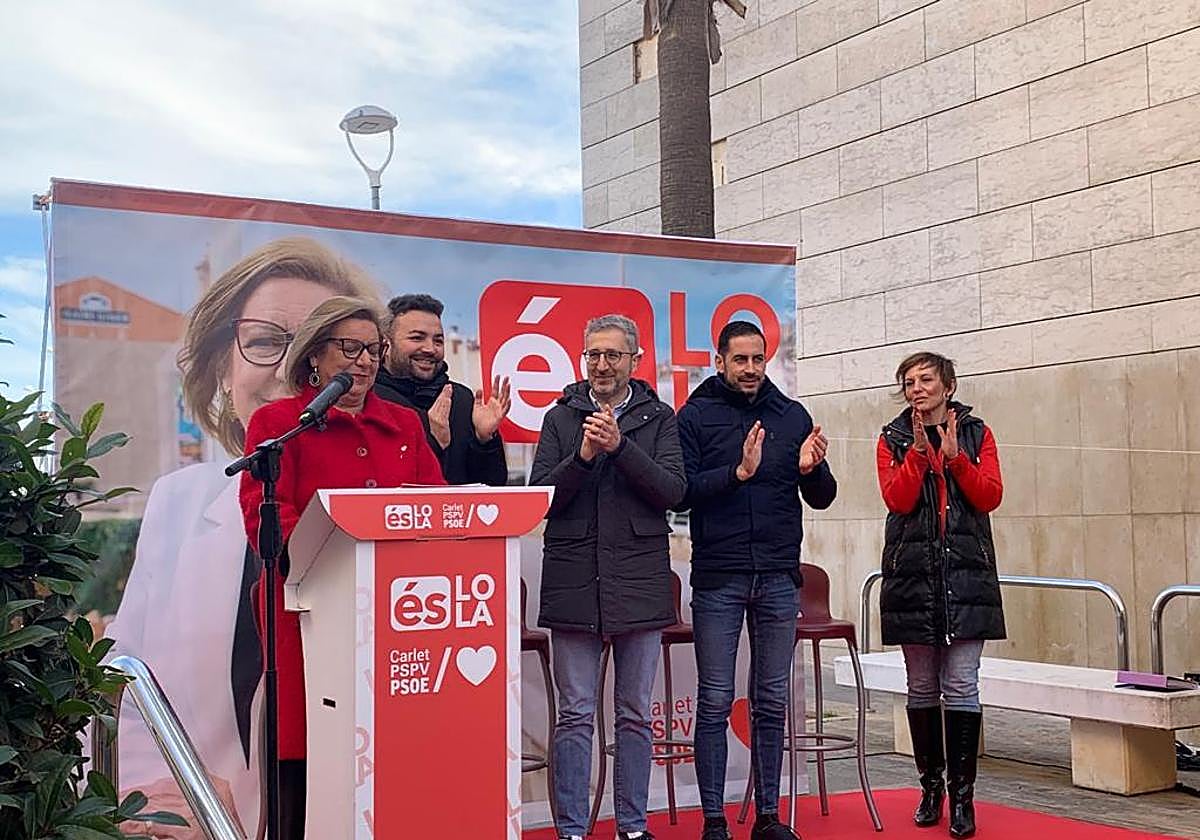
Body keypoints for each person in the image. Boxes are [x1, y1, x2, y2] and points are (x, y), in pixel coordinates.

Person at [106, 237, 381, 839]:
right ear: (221, 373)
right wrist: (159, 793)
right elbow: (127, 686)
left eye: (323, 344)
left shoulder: (390, 511)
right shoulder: (178, 502)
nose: (291, 368)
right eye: (264, 342)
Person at [239, 296, 444, 837]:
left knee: (391, 755)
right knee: (306, 755)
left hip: (398, 616)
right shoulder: (279, 423)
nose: (364, 362)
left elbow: (439, 507)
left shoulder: (404, 423)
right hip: (305, 617)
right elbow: (267, 518)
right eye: (349, 348)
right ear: (314, 356)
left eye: (372, 350)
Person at [676, 320, 835, 840]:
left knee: (770, 700)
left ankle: (769, 816)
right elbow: (680, 493)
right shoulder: (695, 416)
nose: (749, 369)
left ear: (767, 361)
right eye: (739, 359)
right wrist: (737, 474)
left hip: (776, 577)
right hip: (719, 578)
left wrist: (812, 468)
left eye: (757, 359)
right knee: (716, 699)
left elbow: (822, 497)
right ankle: (715, 821)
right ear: (719, 361)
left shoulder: (792, 417)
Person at [530, 314, 686, 840]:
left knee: (636, 715)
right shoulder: (560, 418)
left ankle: (633, 827)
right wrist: (583, 456)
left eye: (612, 355)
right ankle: (572, 829)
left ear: (634, 361)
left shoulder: (660, 417)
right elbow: (542, 498)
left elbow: (671, 491)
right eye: (593, 354)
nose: (601, 364)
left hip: (639, 584)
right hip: (574, 582)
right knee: (574, 715)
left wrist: (621, 447)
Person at [876, 351, 1003, 839]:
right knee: (923, 686)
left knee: (963, 684)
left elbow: (990, 495)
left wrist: (955, 460)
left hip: (968, 577)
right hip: (912, 578)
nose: (916, 389)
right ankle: (930, 788)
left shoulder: (977, 432)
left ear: (948, 385)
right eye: (909, 382)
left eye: (926, 379)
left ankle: (963, 798)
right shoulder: (891, 437)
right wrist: (917, 453)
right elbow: (898, 499)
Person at [375, 293, 511, 485]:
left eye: (438, 341)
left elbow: (491, 486)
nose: (430, 349)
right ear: (386, 343)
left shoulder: (461, 399)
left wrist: (484, 440)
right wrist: (432, 441)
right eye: (417, 338)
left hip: (456, 513)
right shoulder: (368, 399)